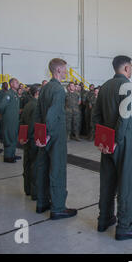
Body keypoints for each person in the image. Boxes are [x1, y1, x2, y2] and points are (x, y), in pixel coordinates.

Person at [93, 55, 132, 241]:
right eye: (130, 67)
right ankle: (125, 226)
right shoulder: (129, 87)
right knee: (126, 183)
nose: (131, 70)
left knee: (107, 181)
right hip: (122, 142)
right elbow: (124, 117)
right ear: (125, 68)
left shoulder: (105, 87)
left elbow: (96, 115)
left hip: (106, 142)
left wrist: (104, 140)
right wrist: (117, 139)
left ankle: (104, 219)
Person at [34, 58, 77, 220]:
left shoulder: (44, 88)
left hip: (44, 133)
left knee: (43, 167)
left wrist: (40, 134)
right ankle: (58, 207)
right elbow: (52, 113)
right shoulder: (59, 90)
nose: (66, 72)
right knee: (57, 169)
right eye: (65, 69)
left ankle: (42, 202)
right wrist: (49, 133)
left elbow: (39, 112)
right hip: (55, 134)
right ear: (58, 70)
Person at [20, 84, 41, 199]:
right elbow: (33, 124)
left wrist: (24, 137)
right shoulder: (36, 105)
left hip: (27, 138)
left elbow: (22, 121)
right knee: (35, 165)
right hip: (33, 138)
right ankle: (35, 192)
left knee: (27, 164)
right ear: (37, 93)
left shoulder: (28, 104)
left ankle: (27, 189)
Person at [0, 78, 21, 163]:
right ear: (11, 84)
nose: (18, 83)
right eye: (16, 82)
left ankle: (12, 154)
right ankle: (7, 156)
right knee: (9, 136)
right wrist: (5, 115)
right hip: (9, 120)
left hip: (14, 120)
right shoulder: (8, 94)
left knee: (14, 136)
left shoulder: (15, 94)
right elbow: (1, 106)